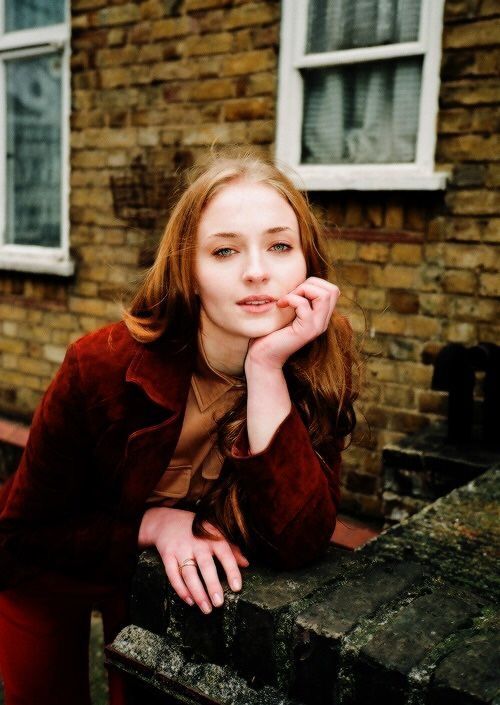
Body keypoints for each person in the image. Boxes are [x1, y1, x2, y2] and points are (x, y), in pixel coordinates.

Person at [0, 152, 358, 705]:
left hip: (148, 581)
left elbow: (297, 541)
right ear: (187, 272)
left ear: (307, 263)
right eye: (224, 250)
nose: (257, 271)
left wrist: (267, 369)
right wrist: (152, 524)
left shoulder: (319, 364)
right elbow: (23, 531)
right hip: (47, 574)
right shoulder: (100, 365)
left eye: (280, 246)